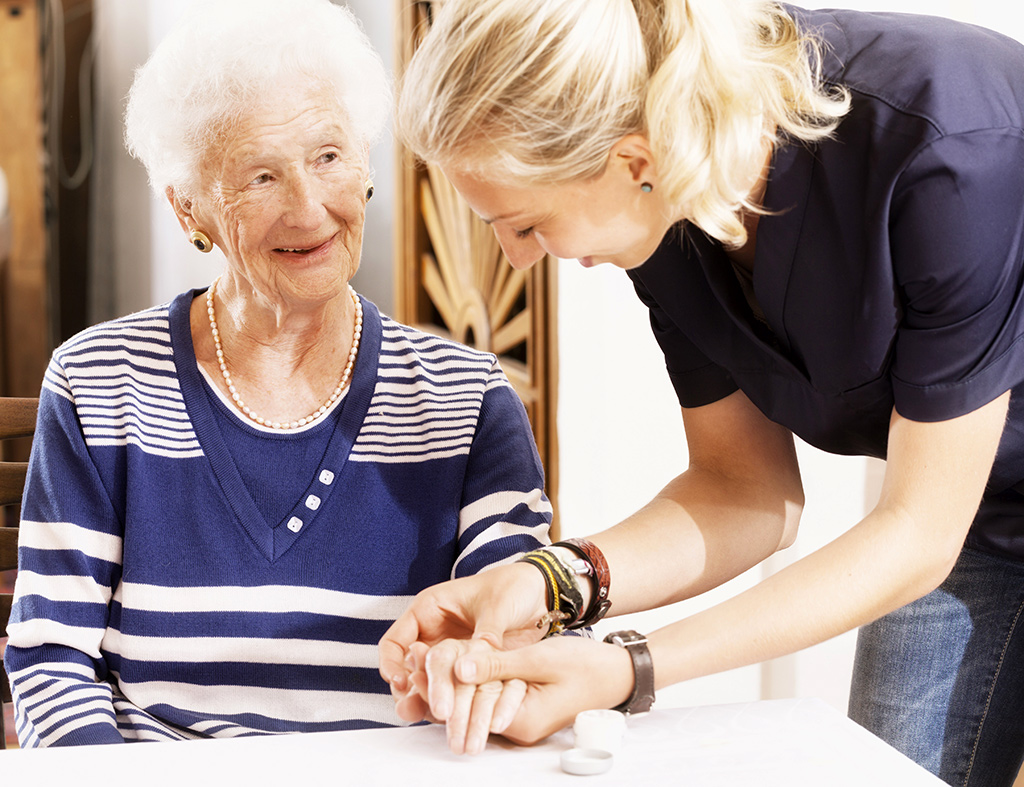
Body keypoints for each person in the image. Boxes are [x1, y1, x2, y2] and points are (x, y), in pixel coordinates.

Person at [378, 1, 1024, 783]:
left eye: (525, 223)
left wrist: (630, 670)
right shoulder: (668, 206)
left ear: (633, 161)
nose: (516, 260)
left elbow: (919, 529)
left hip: (942, 522)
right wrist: (546, 580)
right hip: (983, 514)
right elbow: (745, 490)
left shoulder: (948, 151)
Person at [3, 0, 551, 747]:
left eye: (328, 157)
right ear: (188, 206)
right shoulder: (99, 383)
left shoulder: (465, 401)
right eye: (261, 175)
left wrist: (479, 669)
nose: (307, 207)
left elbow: (514, 651)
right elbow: (50, 662)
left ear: (364, 170)